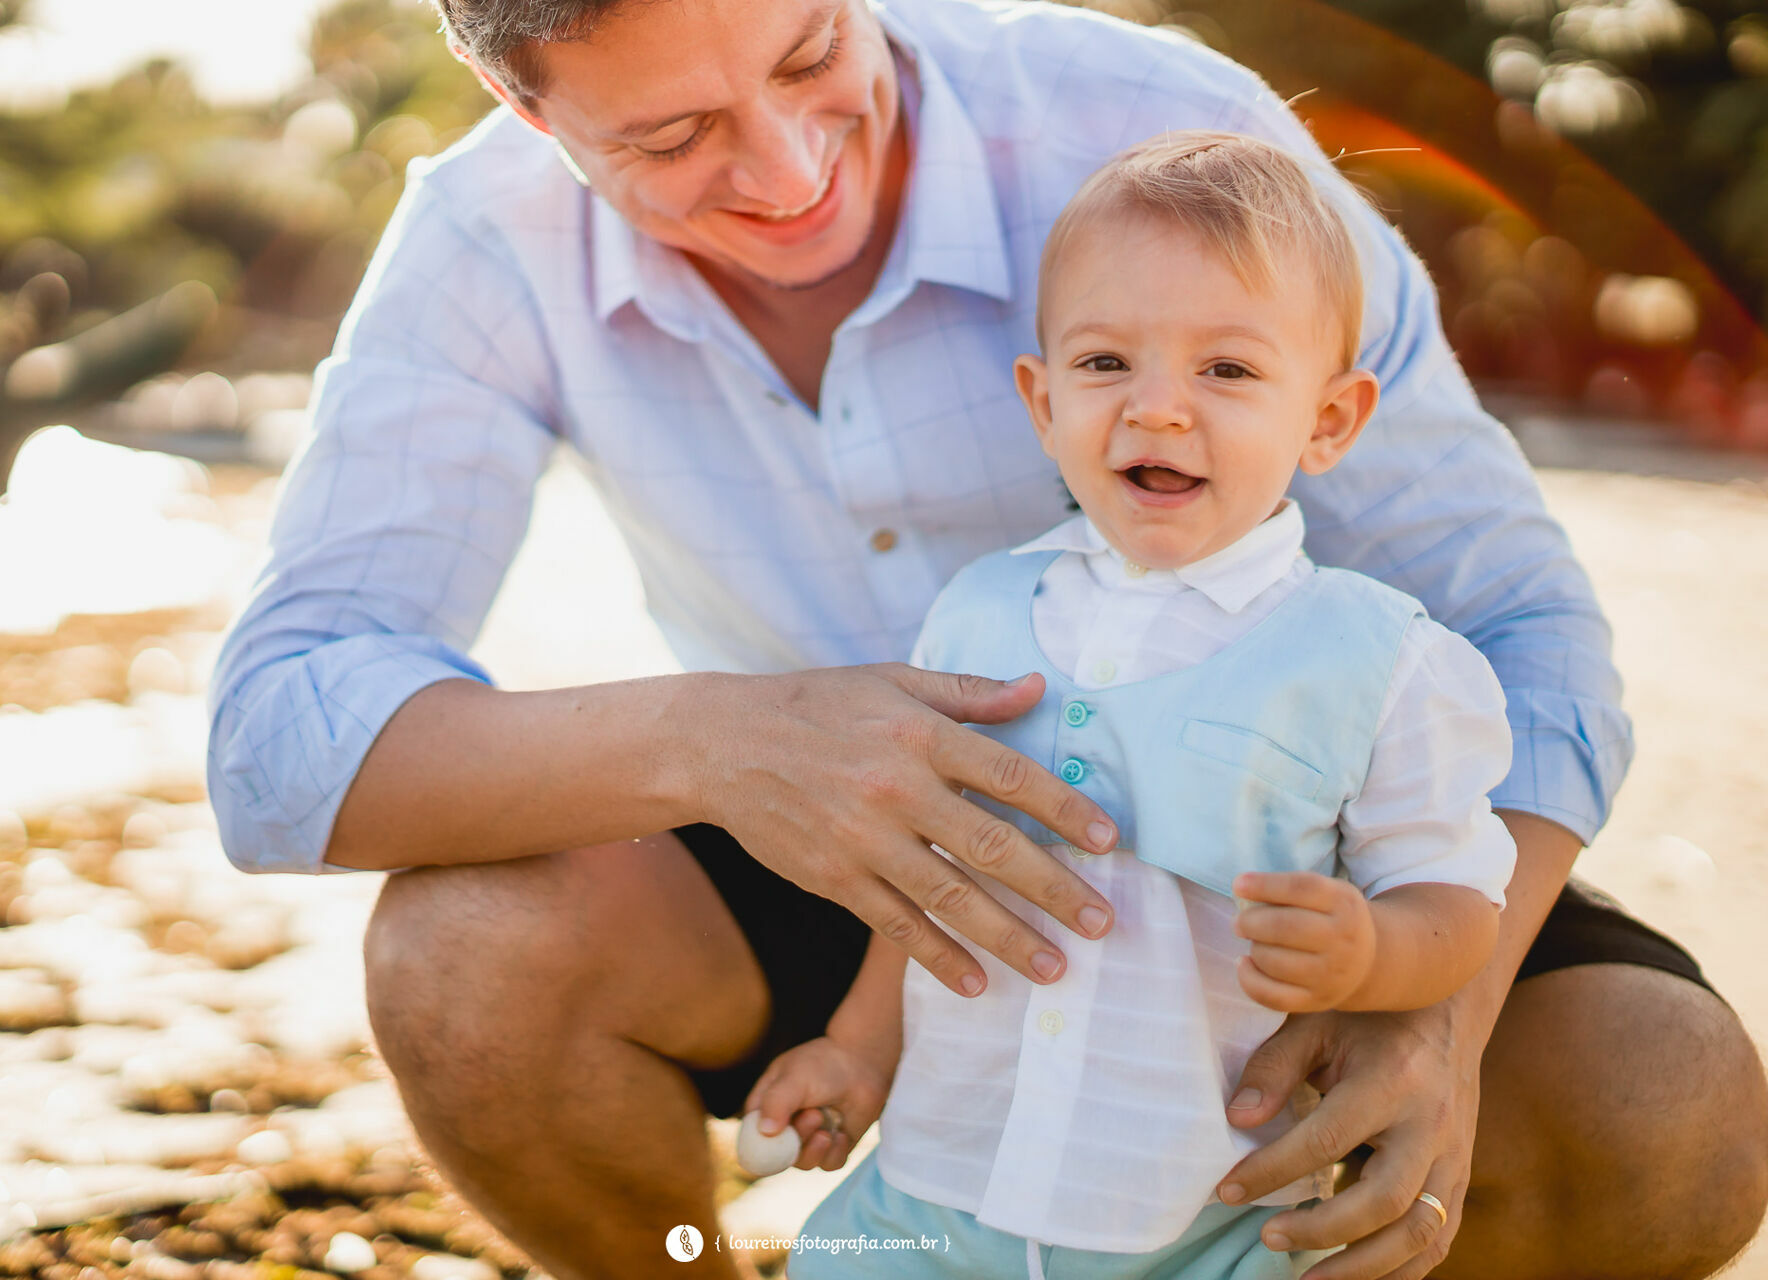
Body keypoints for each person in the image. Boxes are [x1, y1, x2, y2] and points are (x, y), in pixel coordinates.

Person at [204, 0, 1768, 1276]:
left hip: (1281, 854)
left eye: (814, 54)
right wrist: (726, 742)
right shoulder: (486, 237)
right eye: (672, 138)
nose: (791, 168)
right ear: (533, 120)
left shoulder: (1158, 133)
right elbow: (280, 742)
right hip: (812, 853)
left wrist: (1438, 1006)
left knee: (1673, 1110)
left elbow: (1524, 622)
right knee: (460, 960)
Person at [750, 130, 1519, 1280]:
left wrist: (1372, 954)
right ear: (1042, 396)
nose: (1158, 410)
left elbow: (1457, 906)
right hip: (936, 1189)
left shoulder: (1378, 659)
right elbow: (923, 876)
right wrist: (860, 1051)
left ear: (1330, 419)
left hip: (1201, 1215)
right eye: (1107, 363)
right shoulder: (977, 613)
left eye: (1228, 370)